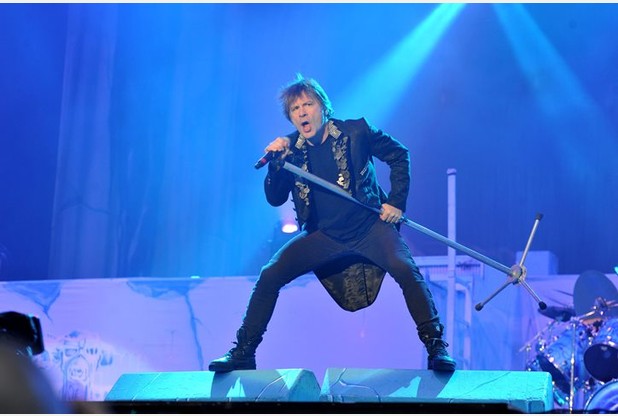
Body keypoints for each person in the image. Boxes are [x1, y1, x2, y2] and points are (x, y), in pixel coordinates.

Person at [209, 74, 456, 373]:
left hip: (369, 227)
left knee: (404, 268)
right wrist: (275, 166)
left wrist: (396, 202)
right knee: (270, 274)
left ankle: (436, 346)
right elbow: (275, 199)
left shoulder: (356, 132)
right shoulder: (291, 150)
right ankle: (244, 352)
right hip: (324, 235)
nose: (301, 112)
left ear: (324, 108)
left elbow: (399, 155)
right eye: (295, 109)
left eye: (308, 105)